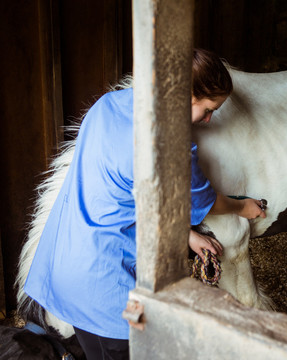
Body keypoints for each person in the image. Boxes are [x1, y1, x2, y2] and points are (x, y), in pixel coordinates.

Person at [24, 48, 265, 360]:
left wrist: (186, 234)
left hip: (63, 268)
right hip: (108, 294)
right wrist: (244, 207)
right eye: (208, 109)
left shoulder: (107, 105)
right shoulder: (170, 144)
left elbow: (127, 190)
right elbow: (203, 204)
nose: (207, 119)